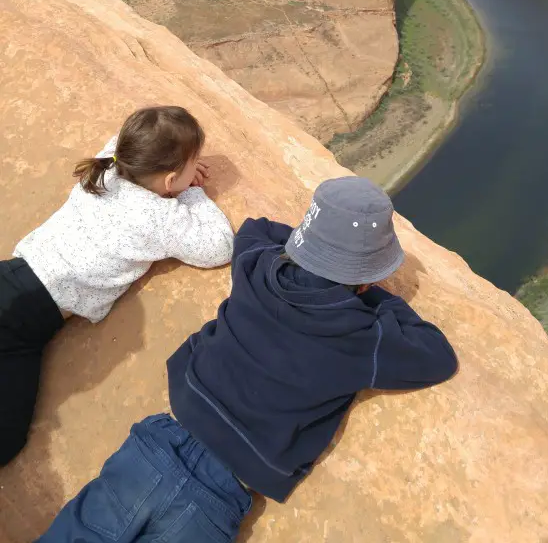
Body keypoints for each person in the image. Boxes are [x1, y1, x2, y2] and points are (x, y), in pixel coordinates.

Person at [37, 177, 457, 543]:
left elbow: (258, 228)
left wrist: (314, 253)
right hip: (222, 490)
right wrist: (371, 296)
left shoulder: (258, 264)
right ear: (365, 277)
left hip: (161, 440)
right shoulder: (362, 336)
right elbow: (436, 356)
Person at [0, 105, 233, 467]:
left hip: (12, 275)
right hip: (23, 322)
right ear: (170, 181)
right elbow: (219, 247)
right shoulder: (159, 216)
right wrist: (190, 192)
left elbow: (121, 140)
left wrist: (179, 175)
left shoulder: (110, 163)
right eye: (193, 164)